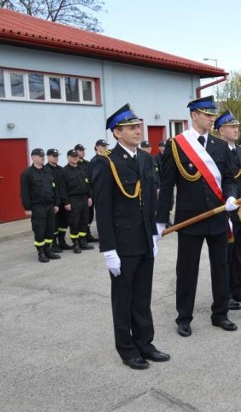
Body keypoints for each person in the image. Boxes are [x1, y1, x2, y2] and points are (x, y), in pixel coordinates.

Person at [91, 103, 170, 370]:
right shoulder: (105, 163)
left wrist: (154, 234)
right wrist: (108, 250)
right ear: (116, 133)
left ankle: (146, 343)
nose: (138, 131)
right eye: (131, 127)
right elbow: (102, 209)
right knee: (123, 299)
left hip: (144, 241)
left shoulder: (146, 159)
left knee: (142, 296)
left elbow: (149, 199)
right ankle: (127, 349)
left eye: (138, 126)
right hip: (122, 244)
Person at [156, 95, 239, 337]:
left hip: (217, 217)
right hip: (189, 219)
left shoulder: (220, 145)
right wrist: (161, 219)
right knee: (187, 270)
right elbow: (167, 184)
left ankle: (220, 313)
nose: (212, 118)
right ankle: (184, 317)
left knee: (221, 267)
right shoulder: (176, 145)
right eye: (208, 114)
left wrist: (231, 197)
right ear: (194, 116)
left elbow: (230, 179)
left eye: (213, 114)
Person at [214, 110, 241, 308]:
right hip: (228, 211)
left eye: (237, 126)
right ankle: (226, 293)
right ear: (221, 130)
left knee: (239, 251)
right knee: (227, 254)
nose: (236, 129)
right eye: (232, 127)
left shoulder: (240, 152)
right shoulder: (217, 152)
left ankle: (237, 289)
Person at [20, 148, 61, 263]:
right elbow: (24, 192)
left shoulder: (47, 171)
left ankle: (48, 250)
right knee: (39, 230)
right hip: (37, 207)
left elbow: (54, 188)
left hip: (50, 205)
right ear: (33, 158)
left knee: (50, 229)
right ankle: (41, 252)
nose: (42, 158)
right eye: (39, 156)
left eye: (43, 156)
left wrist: (56, 204)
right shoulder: (27, 173)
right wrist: (27, 208)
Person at [61, 149, 94, 253]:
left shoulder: (81, 169)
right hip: (73, 200)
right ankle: (75, 243)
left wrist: (89, 197)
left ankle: (82, 241)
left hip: (84, 198)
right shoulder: (64, 171)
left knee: (84, 221)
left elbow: (87, 183)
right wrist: (66, 202)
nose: (75, 158)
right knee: (74, 222)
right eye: (72, 156)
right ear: (68, 158)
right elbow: (62, 188)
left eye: (76, 156)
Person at [44, 148, 70, 252]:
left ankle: (62, 242)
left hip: (63, 201)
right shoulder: (45, 170)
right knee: (53, 224)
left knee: (63, 224)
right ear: (48, 157)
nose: (56, 158)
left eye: (57, 156)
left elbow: (64, 186)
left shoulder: (61, 169)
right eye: (53, 156)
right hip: (53, 203)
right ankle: (54, 244)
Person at [75, 143, 99, 243]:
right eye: (80, 150)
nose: (82, 152)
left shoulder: (88, 164)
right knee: (81, 217)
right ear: (75, 152)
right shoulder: (75, 165)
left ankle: (87, 234)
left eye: (83, 150)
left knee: (89, 215)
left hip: (90, 194)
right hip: (80, 196)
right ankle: (81, 237)